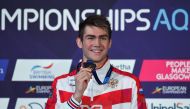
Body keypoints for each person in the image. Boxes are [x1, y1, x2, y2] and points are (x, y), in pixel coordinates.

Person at [45, 15, 147, 109]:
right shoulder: (61, 84)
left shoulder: (130, 83)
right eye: (91, 38)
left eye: (103, 38)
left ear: (109, 43)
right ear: (79, 42)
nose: (97, 44)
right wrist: (76, 97)